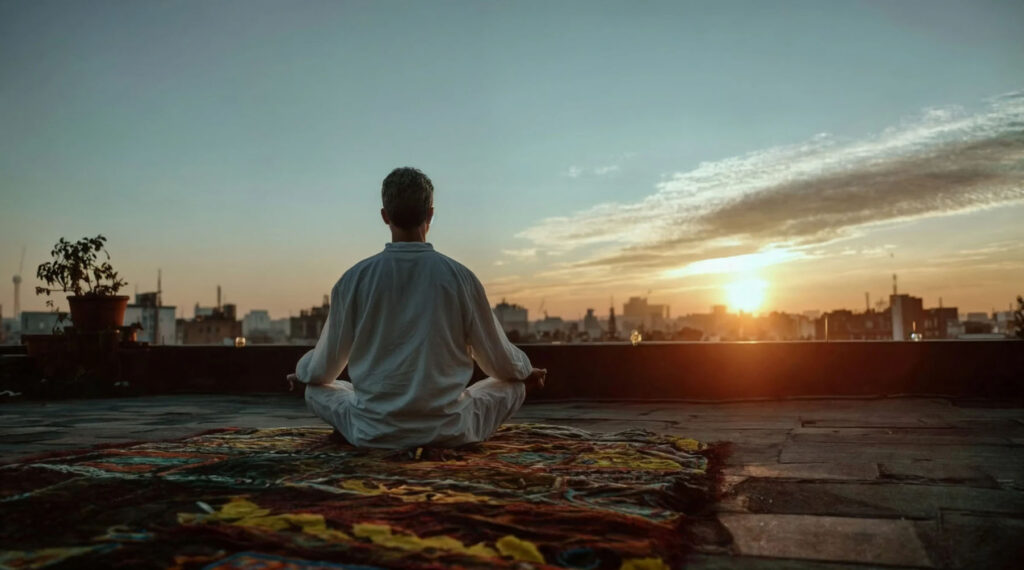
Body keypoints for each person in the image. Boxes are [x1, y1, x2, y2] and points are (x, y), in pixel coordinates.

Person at [287, 167, 547, 449]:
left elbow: (323, 371)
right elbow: (500, 363)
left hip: (372, 430)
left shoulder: (353, 280)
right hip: (450, 429)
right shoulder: (461, 277)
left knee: (317, 390)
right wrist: (525, 372)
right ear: (431, 214)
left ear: (385, 216)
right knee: (511, 385)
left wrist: (303, 375)